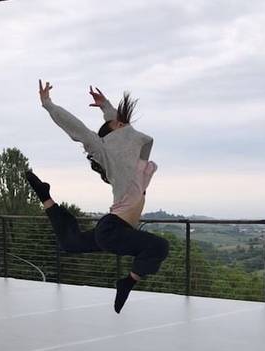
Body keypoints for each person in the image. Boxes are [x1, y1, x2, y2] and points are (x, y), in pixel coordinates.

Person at [26, 79, 169, 313]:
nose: (125, 124)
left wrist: (106, 107)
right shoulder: (110, 155)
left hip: (116, 230)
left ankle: (45, 197)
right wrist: (48, 104)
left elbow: (126, 132)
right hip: (113, 230)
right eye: (119, 123)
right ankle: (127, 283)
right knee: (159, 246)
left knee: (71, 243)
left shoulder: (138, 162)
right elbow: (80, 130)